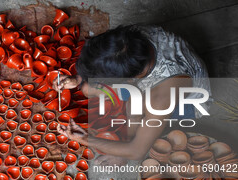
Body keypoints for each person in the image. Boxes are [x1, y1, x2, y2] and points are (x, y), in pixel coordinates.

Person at [54, 25, 211, 161]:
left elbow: (137, 151)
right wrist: (78, 79)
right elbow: (104, 60)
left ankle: (121, 154)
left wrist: (85, 139)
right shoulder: (127, 39)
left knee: (133, 107)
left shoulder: (161, 96)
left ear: (129, 80)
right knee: (88, 89)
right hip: (156, 76)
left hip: (189, 102)